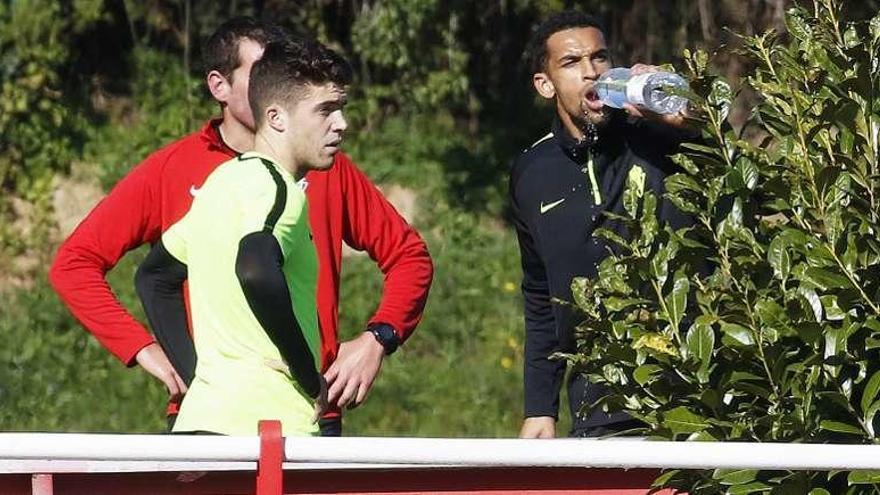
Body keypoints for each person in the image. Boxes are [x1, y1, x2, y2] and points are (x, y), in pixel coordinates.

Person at [48, 17, 433, 436]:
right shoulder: (175, 170)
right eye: (260, 70)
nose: (275, 77)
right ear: (219, 86)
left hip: (304, 412)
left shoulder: (327, 169)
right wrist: (145, 350)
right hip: (211, 412)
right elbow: (80, 265)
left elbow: (409, 255)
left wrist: (378, 337)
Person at [135, 37, 352, 435]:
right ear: (276, 117)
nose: (341, 123)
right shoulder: (280, 189)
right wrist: (308, 375)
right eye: (326, 110)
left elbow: (153, 277)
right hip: (269, 432)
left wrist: (198, 375)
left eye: (341, 109)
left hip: (200, 427)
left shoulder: (220, 183)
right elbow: (254, 267)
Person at [510, 10, 692, 439]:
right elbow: (540, 295)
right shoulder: (532, 172)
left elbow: (731, 159)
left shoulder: (660, 138)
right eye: (571, 63)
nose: (591, 72)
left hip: (693, 392)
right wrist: (540, 408)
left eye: (599, 58)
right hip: (600, 406)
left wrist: (687, 113)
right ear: (545, 83)